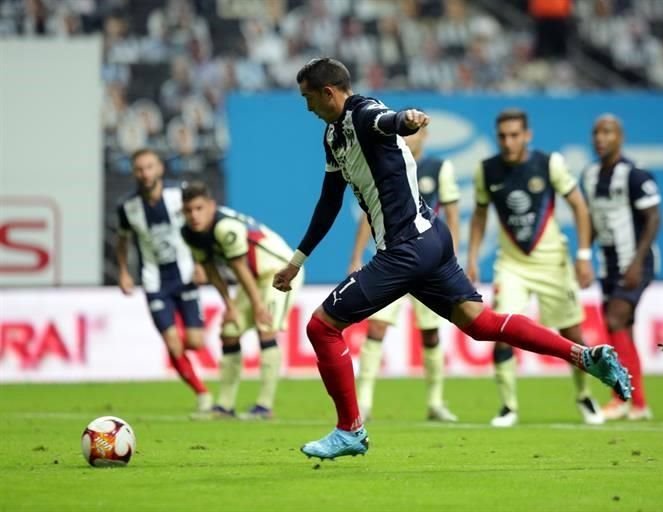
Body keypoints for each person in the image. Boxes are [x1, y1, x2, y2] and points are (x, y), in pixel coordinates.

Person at [272, 58, 630, 460]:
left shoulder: (362, 112)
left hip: (406, 247)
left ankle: (350, 429)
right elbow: (329, 202)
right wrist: (297, 260)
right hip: (429, 240)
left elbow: (388, 121)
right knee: (481, 324)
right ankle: (584, 356)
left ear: (329, 93)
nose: (307, 108)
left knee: (322, 328)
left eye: (308, 98)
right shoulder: (332, 136)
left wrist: (407, 120)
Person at [467, 108, 603, 427]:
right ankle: (508, 406)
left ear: (527, 136)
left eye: (515, 135)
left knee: (572, 332)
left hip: (553, 263)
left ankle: (584, 396)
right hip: (511, 265)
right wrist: (472, 256)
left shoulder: (549, 164)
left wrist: (584, 255)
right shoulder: (486, 171)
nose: (508, 142)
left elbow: (580, 207)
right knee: (501, 330)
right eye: (502, 136)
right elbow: (479, 215)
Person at [348, 123, 460, 423]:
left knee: (431, 333)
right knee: (376, 329)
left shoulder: (438, 169)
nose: (408, 139)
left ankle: (436, 402)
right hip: (391, 260)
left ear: (424, 136)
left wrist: (452, 256)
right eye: (403, 134)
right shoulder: (386, 167)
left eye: (413, 134)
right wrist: (356, 255)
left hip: (428, 262)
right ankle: (365, 403)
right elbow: (369, 215)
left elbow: (451, 215)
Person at [180, 181, 303, 420]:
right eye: (188, 210)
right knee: (229, 331)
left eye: (199, 208)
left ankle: (264, 407)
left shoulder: (225, 227)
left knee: (265, 328)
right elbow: (211, 270)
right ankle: (224, 407)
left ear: (211, 206)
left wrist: (257, 306)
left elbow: (239, 267)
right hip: (253, 280)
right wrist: (229, 306)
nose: (194, 216)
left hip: (278, 271)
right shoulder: (189, 233)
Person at [116, 149, 212, 412]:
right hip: (154, 282)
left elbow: (198, 225)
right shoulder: (128, 207)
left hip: (185, 274)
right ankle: (202, 394)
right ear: (134, 172)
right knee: (172, 342)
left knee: (195, 342)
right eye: (139, 169)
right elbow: (122, 241)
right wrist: (123, 271)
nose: (145, 173)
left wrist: (202, 263)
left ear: (159, 168)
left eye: (149, 167)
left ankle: (190, 367)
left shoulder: (178, 195)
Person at [581, 114, 660, 421]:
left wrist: (637, 262)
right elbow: (589, 220)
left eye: (608, 132)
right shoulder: (589, 175)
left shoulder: (635, 175)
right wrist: (585, 256)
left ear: (620, 137)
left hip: (635, 262)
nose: (601, 138)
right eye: (597, 132)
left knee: (615, 320)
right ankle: (638, 404)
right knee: (621, 328)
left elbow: (653, 218)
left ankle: (621, 397)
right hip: (608, 262)